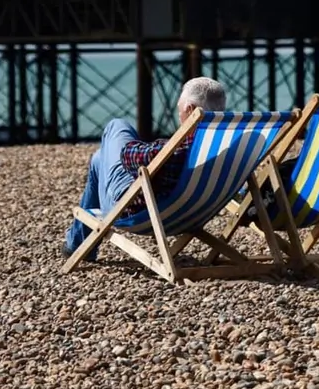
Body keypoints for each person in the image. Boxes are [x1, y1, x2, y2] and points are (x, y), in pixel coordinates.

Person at [64, 77, 229, 259]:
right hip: (191, 214)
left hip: (139, 211)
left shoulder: (179, 150)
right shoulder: (227, 148)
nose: (179, 116)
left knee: (117, 126)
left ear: (190, 110)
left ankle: (78, 243)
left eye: (179, 110)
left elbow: (128, 156)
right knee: (98, 159)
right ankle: (78, 242)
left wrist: (157, 145)